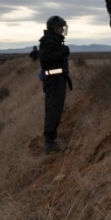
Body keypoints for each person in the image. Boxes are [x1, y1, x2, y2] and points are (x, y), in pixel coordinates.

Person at [39, 16, 72, 152]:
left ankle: (52, 139)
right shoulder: (49, 41)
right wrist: (62, 53)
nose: (63, 29)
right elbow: (45, 59)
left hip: (57, 79)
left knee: (56, 109)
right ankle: (49, 142)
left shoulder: (54, 40)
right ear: (55, 28)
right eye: (61, 27)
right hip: (53, 80)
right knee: (53, 109)